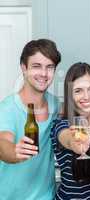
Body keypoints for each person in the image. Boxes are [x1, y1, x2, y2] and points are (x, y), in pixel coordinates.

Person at [0, 39, 61, 199]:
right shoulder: (7, 108)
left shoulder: (56, 105)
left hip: (47, 196)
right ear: (24, 68)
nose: (44, 73)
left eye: (50, 67)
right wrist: (14, 151)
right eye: (36, 66)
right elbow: (3, 143)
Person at [50, 62, 90, 199]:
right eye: (78, 90)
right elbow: (66, 137)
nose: (86, 96)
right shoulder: (61, 124)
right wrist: (75, 143)